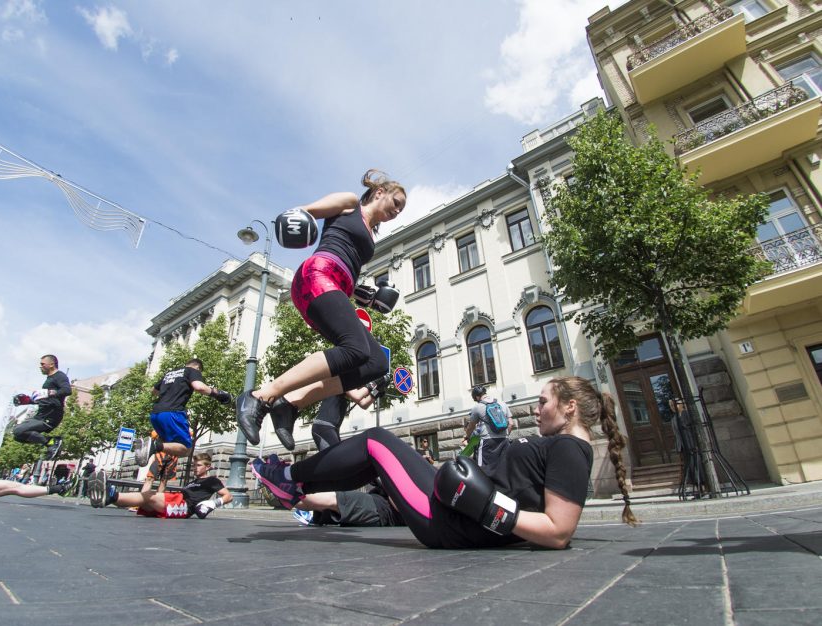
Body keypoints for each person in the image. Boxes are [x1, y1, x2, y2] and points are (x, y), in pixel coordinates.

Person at [252, 376, 638, 550]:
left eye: (543, 402)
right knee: (375, 459)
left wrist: (487, 504)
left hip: (450, 523)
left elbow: (558, 532)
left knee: (375, 442)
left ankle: (288, 478)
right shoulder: (562, 446)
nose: (537, 410)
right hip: (455, 511)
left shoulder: (571, 450)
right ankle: (296, 486)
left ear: (570, 408)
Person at [237, 169, 406, 451]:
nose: (398, 210)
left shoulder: (370, 237)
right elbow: (302, 213)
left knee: (375, 362)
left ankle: (290, 405)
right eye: (397, 201)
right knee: (355, 348)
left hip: (337, 286)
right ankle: (261, 396)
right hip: (316, 274)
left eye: (401, 208)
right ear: (379, 192)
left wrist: (365, 296)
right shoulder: (350, 203)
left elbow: (348, 267)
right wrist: (293, 222)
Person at [133, 358, 231, 467]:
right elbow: (199, 387)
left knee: (170, 445)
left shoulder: (170, 373)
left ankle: (153, 447)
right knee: (185, 449)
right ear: (198, 367)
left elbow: (154, 391)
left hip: (156, 414)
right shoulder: (192, 371)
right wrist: (217, 394)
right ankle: (154, 446)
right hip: (172, 413)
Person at [89, 453, 231, 519]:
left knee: (150, 496)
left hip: (182, 506)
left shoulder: (212, 480)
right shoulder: (192, 482)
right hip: (177, 501)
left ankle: (112, 495)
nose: (195, 468)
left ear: (208, 467)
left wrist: (212, 503)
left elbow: (228, 496)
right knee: (144, 502)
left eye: (199, 466)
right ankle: (109, 499)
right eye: (194, 465)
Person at [13, 355, 72, 477]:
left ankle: (52, 442)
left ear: (51, 364)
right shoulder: (48, 379)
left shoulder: (59, 376)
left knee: (19, 430)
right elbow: (44, 399)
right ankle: (50, 442)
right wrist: (27, 400)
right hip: (41, 414)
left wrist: (50, 392)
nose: (41, 366)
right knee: (18, 436)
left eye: (42, 364)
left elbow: (67, 390)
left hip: (52, 414)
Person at [463, 386, 514, 469]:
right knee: (505, 468)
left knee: (483, 470)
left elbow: (471, 427)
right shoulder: (502, 403)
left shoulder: (477, 407)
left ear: (477, 397)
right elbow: (511, 423)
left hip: (488, 442)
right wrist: (505, 435)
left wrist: (467, 437)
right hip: (504, 440)